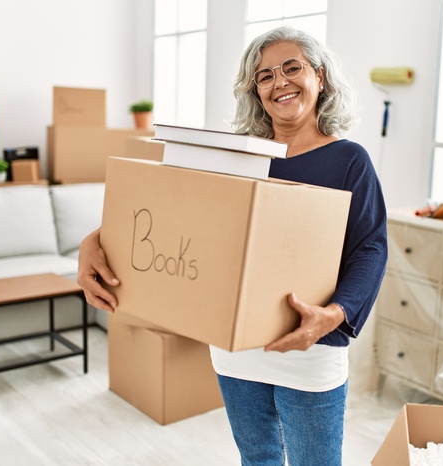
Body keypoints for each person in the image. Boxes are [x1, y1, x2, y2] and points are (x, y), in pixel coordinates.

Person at [77, 26, 387, 466]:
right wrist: (93, 241)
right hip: (236, 353)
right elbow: (171, 217)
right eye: (264, 76)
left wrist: (332, 316)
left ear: (319, 76)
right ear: (255, 92)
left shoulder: (349, 159)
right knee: (257, 459)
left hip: (311, 349)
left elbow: (369, 249)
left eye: (291, 67)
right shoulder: (238, 158)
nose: (279, 81)